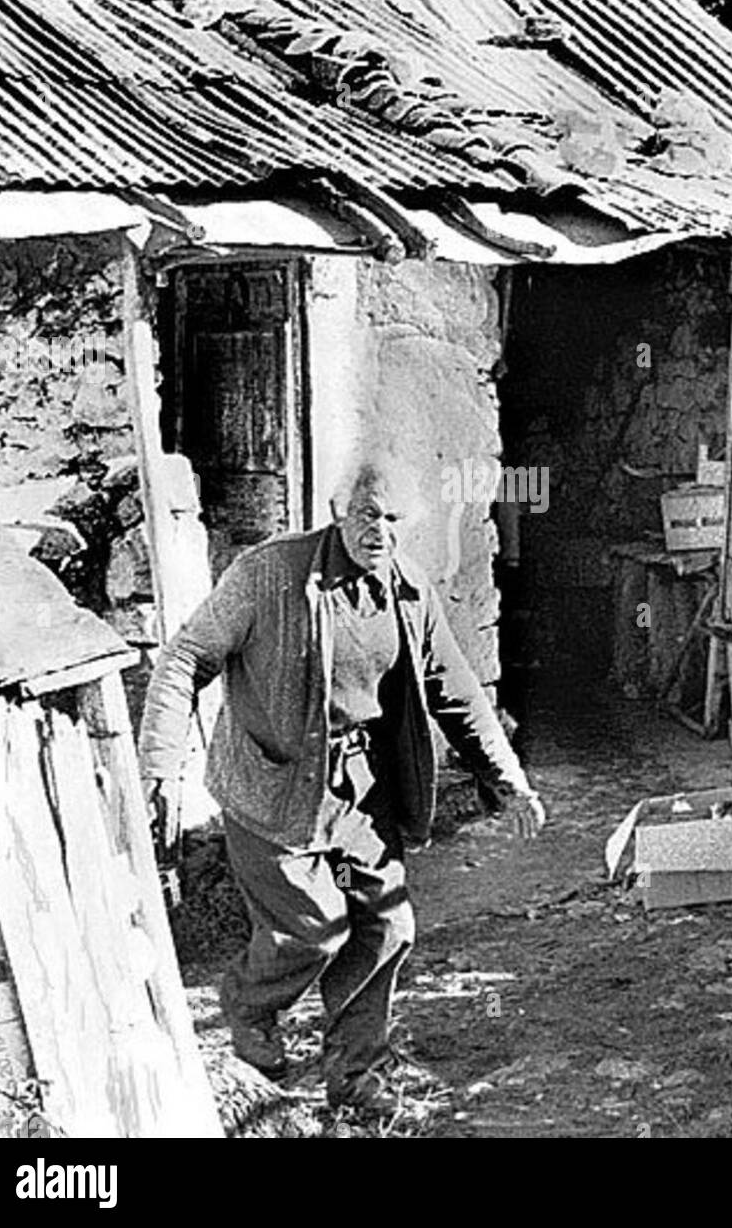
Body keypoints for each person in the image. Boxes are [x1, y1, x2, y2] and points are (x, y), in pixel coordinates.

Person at [138, 457, 545, 1115]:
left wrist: (509, 780)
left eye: (391, 518)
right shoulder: (270, 574)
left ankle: (356, 1078)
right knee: (313, 928)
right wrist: (159, 767)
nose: (378, 531)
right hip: (272, 786)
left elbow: (457, 691)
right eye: (365, 515)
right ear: (337, 513)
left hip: (361, 790)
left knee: (387, 925)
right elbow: (187, 656)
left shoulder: (409, 591)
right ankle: (247, 1005)